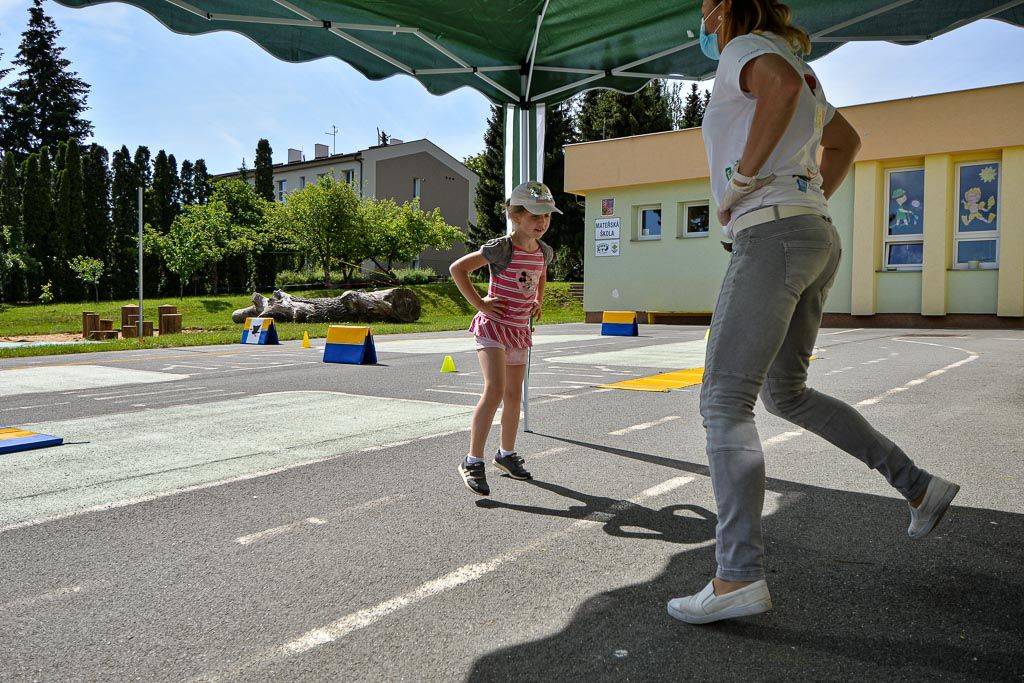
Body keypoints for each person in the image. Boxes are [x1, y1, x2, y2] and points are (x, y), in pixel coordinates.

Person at [667, 0, 961, 624]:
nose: (699, 21)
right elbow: (845, 139)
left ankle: (735, 577)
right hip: (812, 234)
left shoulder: (743, 52)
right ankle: (917, 485)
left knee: (724, 402)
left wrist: (744, 179)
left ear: (722, 11)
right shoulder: (799, 65)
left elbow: (772, 95)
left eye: (702, 9)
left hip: (771, 236)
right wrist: (808, 195)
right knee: (788, 394)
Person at [449, 181, 557, 496]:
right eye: (536, 215)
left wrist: (537, 299)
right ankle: (472, 460)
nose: (542, 222)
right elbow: (459, 269)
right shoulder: (501, 248)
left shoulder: (544, 251)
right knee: (494, 390)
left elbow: (541, 274)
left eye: (547, 216)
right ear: (515, 215)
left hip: (520, 331)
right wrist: (481, 304)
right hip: (493, 327)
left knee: (513, 396)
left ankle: (506, 455)